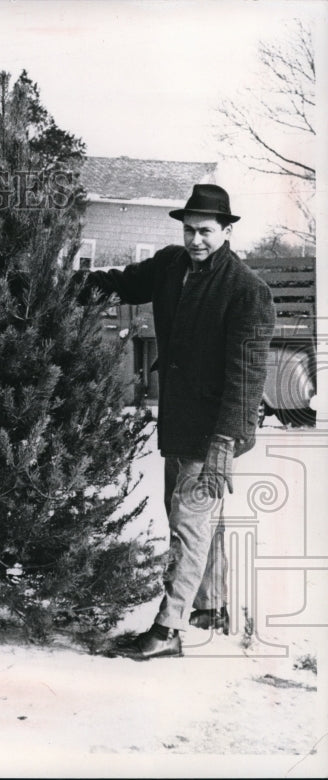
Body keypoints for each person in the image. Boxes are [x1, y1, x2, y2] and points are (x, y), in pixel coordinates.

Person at [77, 184, 275, 659]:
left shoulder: (247, 290)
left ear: (226, 232)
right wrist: (52, 286)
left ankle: (168, 630)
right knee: (197, 521)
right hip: (179, 421)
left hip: (216, 430)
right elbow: (120, 283)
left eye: (205, 231)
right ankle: (208, 608)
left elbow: (246, 378)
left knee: (189, 523)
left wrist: (224, 444)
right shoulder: (170, 266)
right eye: (189, 230)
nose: (195, 240)